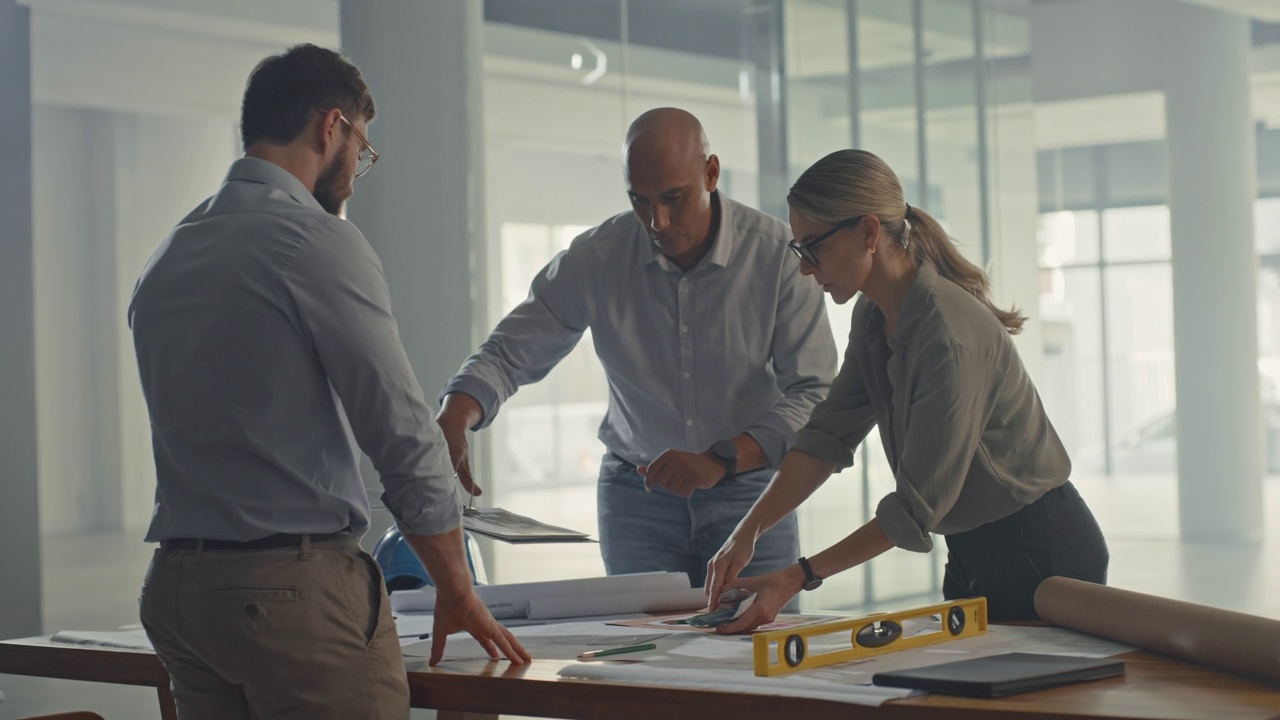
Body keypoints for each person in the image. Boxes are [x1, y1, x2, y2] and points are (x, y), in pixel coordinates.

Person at [129, 44, 528, 720]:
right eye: (362, 147)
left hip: (180, 592)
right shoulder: (313, 241)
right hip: (289, 596)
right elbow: (402, 435)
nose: (357, 169)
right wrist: (456, 589)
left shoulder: (171, 252)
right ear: (329, 126)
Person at [704, 148, 1109, 627]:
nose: (806, 268)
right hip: (970, 547)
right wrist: (746, 532)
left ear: (869, 232)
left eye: (813, 247)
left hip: (1038, 549)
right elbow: (827, 437)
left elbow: (915, 508)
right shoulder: (875, 315)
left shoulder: (948, 333)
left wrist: (797, 576)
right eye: (799, 249)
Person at [437, 108, 837, 587]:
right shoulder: (597, 257)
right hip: (636, 501)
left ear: (711, 173)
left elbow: (814, 393)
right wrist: (457, 411)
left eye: (673, 198)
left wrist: (721, 460)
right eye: (640, 201)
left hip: (750, 493)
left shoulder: (775, 255)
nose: (658, 221)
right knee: (642, 656)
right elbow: (509, 351)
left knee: (753, 656)